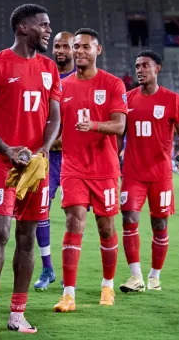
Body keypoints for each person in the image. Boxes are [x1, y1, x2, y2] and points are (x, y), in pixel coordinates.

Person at [0, 4, 61, 336]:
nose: (48, 31)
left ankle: (17, 313)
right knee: (0, 233)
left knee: (28, 239)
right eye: (43, 25)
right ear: (24, 29)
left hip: (36, 165)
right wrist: (7, 148)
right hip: (2, 163)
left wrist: (42, 150)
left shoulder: (49, 67)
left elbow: (55, 117)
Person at [53, 28, 127, 312]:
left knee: (106, 228)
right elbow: (57, 127)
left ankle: (107, 286)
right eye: (75, 47)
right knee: (74, 223)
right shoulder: (63, 87)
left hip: (105, 169)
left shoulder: (113, 84)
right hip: (73, 168)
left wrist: (94, 126)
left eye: (85, 46)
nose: (79, 51)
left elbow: (119, 125)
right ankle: (68, 294)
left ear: (98, 50)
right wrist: (49, 143)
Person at [119, 50, 179, 293]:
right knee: (129, 219)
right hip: (133, 172)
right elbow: (119, 135)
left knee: (159, 225)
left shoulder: (172, 99)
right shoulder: (127, 99)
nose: (139, 69)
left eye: (145, 65)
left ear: (157, 68)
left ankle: (154, 275)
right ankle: (135, 277)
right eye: (137, 65)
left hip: (161, 174)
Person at [33, 31, 75, 291]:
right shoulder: (44, 76)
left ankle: (69, 277)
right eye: (57, 46)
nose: (60, 50)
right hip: (47, 156)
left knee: (75, 215)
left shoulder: (81, 79)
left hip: (73, 157)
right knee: (41, 210)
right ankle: (47, 268)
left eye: (66, 47)